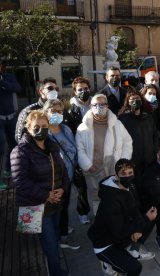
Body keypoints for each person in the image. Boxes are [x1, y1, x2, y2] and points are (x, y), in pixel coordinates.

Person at [11, 110, 69, 276]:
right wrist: (46, 195)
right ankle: (56, 272)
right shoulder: (20, 151)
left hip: (55, 204)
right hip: (36, 207)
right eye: (36, 126)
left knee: (53, 242)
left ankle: (53, 269)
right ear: (28, 128)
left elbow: (63, 170)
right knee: (50, 246)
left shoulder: (52, 146)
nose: (41, 129)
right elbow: (20, 182)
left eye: (44, 126)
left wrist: (63, 188)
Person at [88, 159, 157, 276]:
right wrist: (143, 221)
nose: (128, 177)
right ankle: (107, 260)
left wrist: (139, 228)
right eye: (123, 174)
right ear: (116, 176)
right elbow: (119, 232)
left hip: (118, 235)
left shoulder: (128, 187)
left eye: (130, 173)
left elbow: (135, 210)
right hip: (105, 244)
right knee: (134, 268)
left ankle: (132, 250)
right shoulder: (111, 199)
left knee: (148, 222)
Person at [76, 94, 133, 216]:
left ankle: (116, 220)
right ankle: (99, 221)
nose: (99, 107)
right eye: (95, 104)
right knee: (96, 197)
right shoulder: (82, 128)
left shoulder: (117, 124)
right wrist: (88, 165)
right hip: (94, 169)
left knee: (116, 195)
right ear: (90, 106)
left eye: (102, 104)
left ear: (107, 106)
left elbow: (128, 142)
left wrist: (123, 161)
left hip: (114, 168)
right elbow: (80, 149)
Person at [43, 99, 80, 250]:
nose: (57, 114)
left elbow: (74, 150)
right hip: (53, 180)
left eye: (60, 111)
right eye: (53, 111)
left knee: (64, 207)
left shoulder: (66, 129)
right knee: (53, 210)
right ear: (45, 113)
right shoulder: (44, 133)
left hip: (68, 176)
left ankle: (62, 235)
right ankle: (57, 237)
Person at [63, 76, 92, 225]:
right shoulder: (68, 109)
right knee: (81, 185)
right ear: (74, 91)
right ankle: (83, 212)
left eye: (86, 88)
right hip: (78, 150)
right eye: (80, 89)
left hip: (95, 148)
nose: (83, 91)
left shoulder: (95, 104)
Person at [118, 89, 159, 193]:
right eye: (132, 99)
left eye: (137, 99)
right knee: (136, 190)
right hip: (132, 163)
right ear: (127, 102)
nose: (135, 101)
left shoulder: (148, 117)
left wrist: (155, 152)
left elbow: (155, 136)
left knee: (150, 188)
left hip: (149, 161)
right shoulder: (123, 119)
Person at [15, 78, 58, 143]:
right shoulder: (29, 110)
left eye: (56, 89)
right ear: (41, 91)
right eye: (50, 88)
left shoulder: (59, 109)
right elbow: (19, 137)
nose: (54, 91)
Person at [0, 60, 21, 189]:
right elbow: (11, 88)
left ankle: (8, 169)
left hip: (11, 116)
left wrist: (2, 83)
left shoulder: (8, 76)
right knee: (1, 147)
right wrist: (7, 87)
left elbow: (17, 88)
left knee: (13, 144)